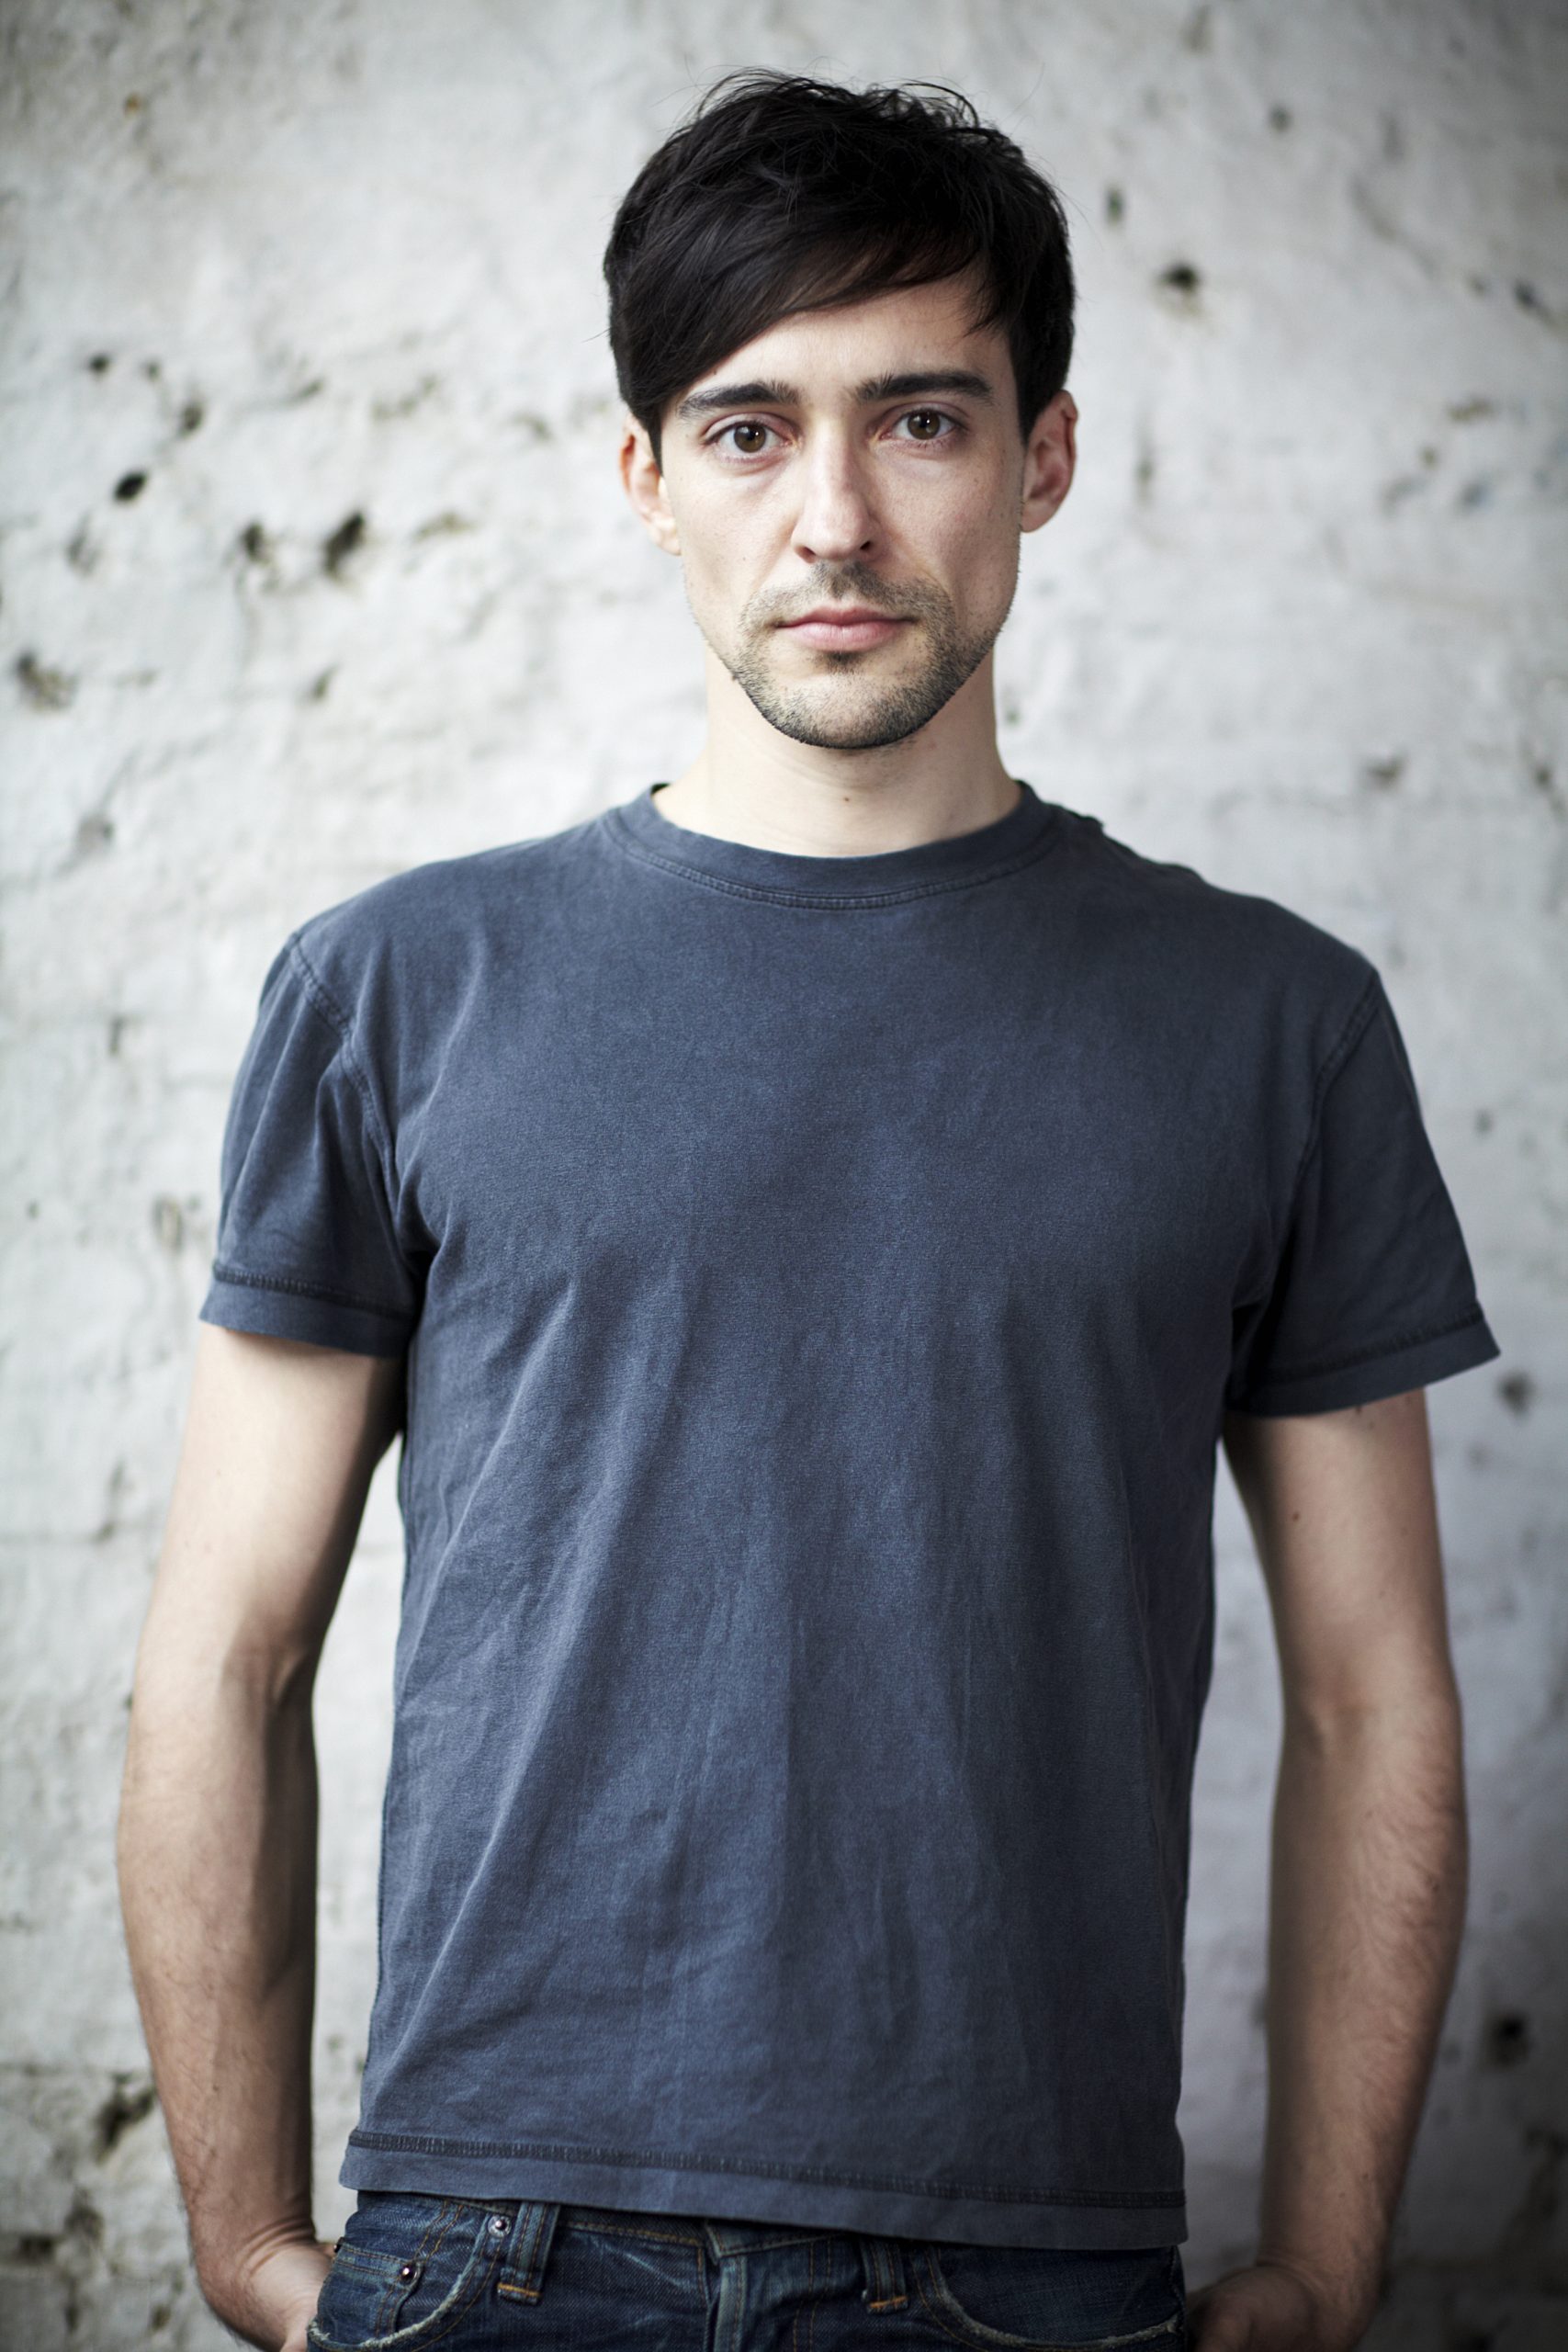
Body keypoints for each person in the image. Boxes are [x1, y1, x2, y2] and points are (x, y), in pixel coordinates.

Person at [117, 69, 1499, 2352]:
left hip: (1029, 2264)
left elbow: (1371, 1693)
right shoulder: (396, 987)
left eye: (919, 419)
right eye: (748, 428)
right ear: (643, 476)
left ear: (1041, 456)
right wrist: (249, 2240)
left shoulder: (1272, 1021)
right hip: (492, 2241)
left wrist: (1330, 2261)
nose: (833, 516)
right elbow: (225, 1646)